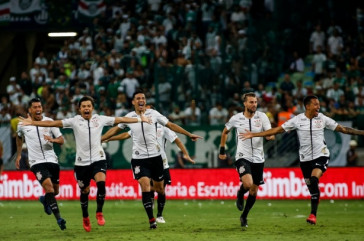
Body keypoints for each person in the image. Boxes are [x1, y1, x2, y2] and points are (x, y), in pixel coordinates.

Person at [19, 96, 151, 232]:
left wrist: (140, 119)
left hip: (98, 159)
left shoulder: (100, 119)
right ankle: (85, 216)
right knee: (85, 191)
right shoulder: (75, 121)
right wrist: (33, 123)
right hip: (81, 164)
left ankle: (99, 212)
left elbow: (121, 119)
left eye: (88, 106)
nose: (86, 108)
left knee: (101, 184)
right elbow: (54, 123)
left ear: (92, 108)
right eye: (84, 106)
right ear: (80, 109)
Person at [240, 95, 364, 225]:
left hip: (321, 155)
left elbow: (343, 129)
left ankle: (313, 215)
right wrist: (254, 134)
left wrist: (361, 132)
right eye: (315, 104)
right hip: (305, 160)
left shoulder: (322, 118)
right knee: (312, 187)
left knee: (314, 178)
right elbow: (277, 130)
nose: (318, 106)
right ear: (308, 106)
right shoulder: (297, 120)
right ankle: (315, 197)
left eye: (318, 104)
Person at [101, 90, 202, 229]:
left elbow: (171, 125)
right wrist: (101, 139)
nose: (141, 100)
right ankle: (151, 219)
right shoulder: (129, 117)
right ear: (133, 102)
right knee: (145, 186)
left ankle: (159, 213)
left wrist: (188, 133)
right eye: (138, 98)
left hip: (156, 158)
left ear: (145, 101)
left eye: (143, 98)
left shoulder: (154, 115)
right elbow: (117, 130)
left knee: (160, 189)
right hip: (139, 159)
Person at [218, 92, 274, 228]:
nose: (254, 104)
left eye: (255, 102)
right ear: (244, 103)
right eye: (251, 102)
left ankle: (244, 216)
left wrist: (268, 136)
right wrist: (222, 149)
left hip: (259, 158)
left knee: (254, 191)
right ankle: (240, 192)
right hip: (243, 156)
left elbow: (270, 134)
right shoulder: (236, 118)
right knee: (248, 184)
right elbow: (225, 131)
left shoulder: (262, 117)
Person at [16, 98, 66, 230]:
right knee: (49, 188)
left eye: (39, 106)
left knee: (55, 191)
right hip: (36, 162)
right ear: (30, 110)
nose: (38, 109)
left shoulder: (50, 122)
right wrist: (19, 154)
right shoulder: (22, 124)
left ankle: (45, 200)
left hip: (52, 160)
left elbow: (61, 140)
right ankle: (59, 219)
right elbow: (19, 137)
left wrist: (53, 139)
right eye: (35, 107)